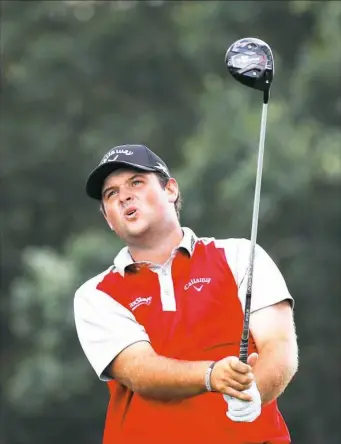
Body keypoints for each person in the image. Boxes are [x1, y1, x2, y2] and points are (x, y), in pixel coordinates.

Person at [74, 144, 299, 444]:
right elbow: (138, 369)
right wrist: (211, 375)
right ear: (108, 218)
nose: (124, 195)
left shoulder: (239, 255)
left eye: (136, 182)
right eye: (111, 194)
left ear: (170, 190)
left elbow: (278, 348)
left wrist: (255, 391)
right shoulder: (96, 294)